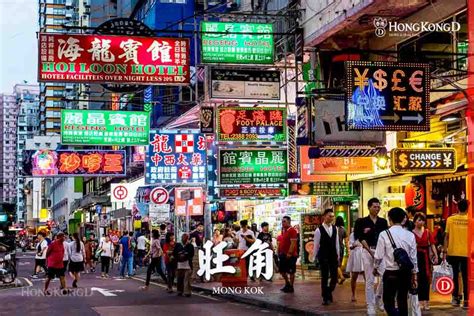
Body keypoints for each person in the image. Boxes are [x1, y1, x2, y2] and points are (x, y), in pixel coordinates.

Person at [374, 207, 418, 316]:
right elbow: (413, 258)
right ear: (404, 218)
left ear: (389, 219)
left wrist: (375, 267)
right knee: (402, 300)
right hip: (405, 273)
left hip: (390, 272)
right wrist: (414, 274)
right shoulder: (410, 235)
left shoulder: (384, 234)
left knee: (388, 302)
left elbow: (378, 255)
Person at [353, 197, 388, 314]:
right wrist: (370, 251)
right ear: (369, 207)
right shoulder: (361, 222)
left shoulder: (383, 222)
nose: (377, 209)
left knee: (385, 276)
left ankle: (378, 297)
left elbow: (385, 238)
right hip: (367, 251)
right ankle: (370, 305)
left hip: (381, 252)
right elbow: (360, 238)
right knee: (370, 280)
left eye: (378, 206)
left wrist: (381, 252)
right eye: (375, 206)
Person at [443, 199, 469, 309]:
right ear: (467, 208)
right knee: (465, 277)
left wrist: (444, 250)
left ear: (457, 207)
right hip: (467, 252)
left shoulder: (450, 219)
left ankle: (455, 298)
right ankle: (466, 300)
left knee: (454, 275)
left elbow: (446, 236)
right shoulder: (471, 220)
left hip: (453, 251)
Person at [313, 209, 340, 305]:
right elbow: (316, 245)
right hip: (323, 256)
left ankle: (328, 292)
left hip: (333, 255)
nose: (331, 218)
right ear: (324, 216)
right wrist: (314, 257)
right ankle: (325, 297)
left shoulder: (335, 228)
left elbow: (336, 243)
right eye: (329, 216)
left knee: (334, 277)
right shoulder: (318, 230)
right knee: (324, 277)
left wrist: (338, 255)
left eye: (333, 216)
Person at [412, 212, 438, 310]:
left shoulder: (427, 232)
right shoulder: (411, 233)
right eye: (419, 220)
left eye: (423, 220)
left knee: (426, 280)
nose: (421, 222)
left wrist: (435, 255)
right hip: (415, 257)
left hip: (426, 257)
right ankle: (419, 301)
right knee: (416, 279)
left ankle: (426, 301)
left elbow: (432, 244)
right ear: (414, 221)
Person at [278, 216, 298, 293]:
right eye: (282, 221)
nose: (282, 223)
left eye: (284, 221)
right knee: (282, 271)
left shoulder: (292, 230)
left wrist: (289, 253)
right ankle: (287, 284)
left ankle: (291, 287)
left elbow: (293, 243)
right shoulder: (284, 230)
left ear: (289, 222)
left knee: (291, 271)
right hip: (283, 254)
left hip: (291, 255)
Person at [346, 229, 365, 302]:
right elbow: (350, 246)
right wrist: (354, 245)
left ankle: (369, 294)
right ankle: (353, 294)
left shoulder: (365, 233)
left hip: (363, 254)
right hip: (356, 255)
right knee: (354, 275)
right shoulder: (353, 235)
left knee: (367, 276)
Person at [174, 233, 194, 297]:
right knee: (179, 279)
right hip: (179, 264)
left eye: (186, 237)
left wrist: (185, 255)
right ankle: (180, 291)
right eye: (184, 237)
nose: (185, 239)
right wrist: (179, 255)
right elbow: (175, 253)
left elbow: (191, 254)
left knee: (187, 279)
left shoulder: (190, 246)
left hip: (187, 265)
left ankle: (187, 292)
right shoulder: (178, 245)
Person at [335, 216, 348, 285]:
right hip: (341, 248)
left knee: (335, 263)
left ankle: (341, 276)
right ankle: (336, 279)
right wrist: (348, 250)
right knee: (339, 263)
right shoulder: (344, 229)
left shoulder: (333, 228)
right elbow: (346, 241)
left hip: (334, 248)